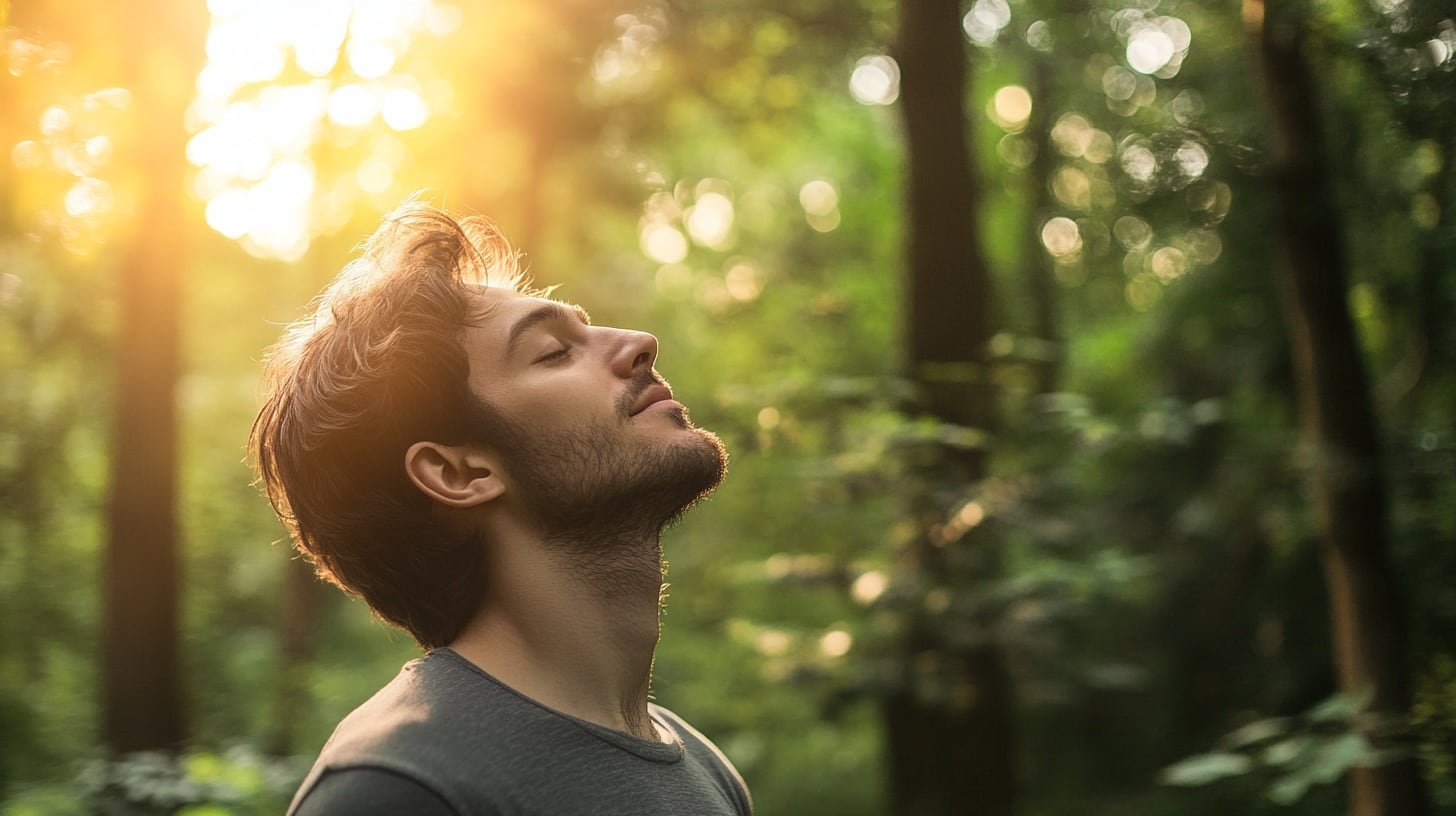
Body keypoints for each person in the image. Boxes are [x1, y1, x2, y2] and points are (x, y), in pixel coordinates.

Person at [249, 201, 750, 815]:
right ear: (460, 473)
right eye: (554, 352)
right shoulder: (398, 788)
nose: (640, 343)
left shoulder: (705, 771)